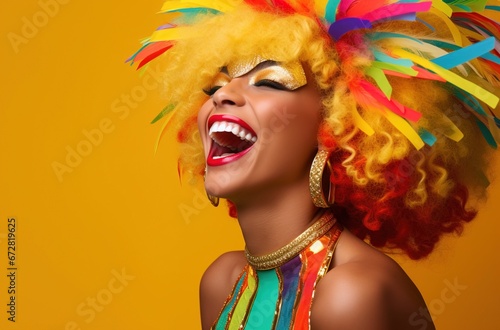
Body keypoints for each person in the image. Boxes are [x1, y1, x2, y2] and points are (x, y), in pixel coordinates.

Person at [129, 0, 500, 328]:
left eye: (270, 83)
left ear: (335, 129)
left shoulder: (350, 295)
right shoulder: (222, 283)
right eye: (214, 86)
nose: (224, 94)